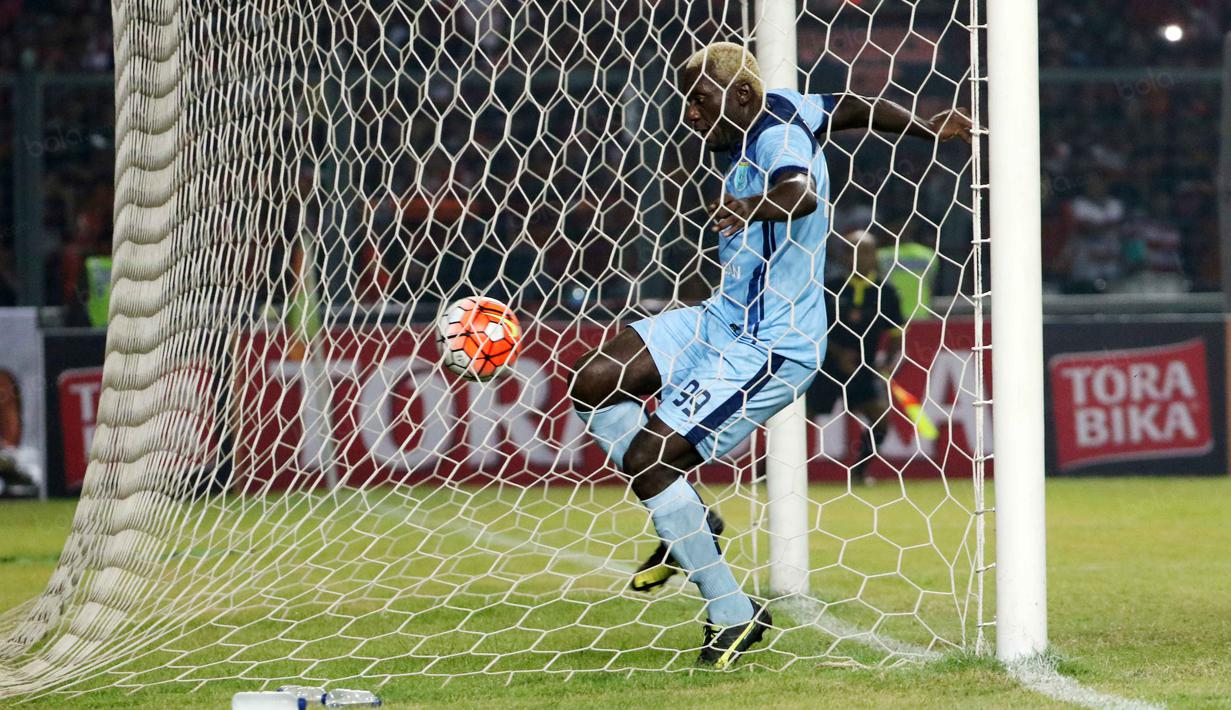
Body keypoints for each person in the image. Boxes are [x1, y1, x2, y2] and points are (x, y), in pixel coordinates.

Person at [569, 42, 971, 668]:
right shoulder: (787, 105)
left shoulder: (775, 137)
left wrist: (749, 206)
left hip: (773, 343)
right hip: (722, 317)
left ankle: (732, 613)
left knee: (650, 460)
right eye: (686, 102)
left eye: (700, 101)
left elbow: (799, 191)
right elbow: (849, 106)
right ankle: (687, 516)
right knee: (595, 381)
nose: (690, 114)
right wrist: (923, 124)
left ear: (740, 95)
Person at [811, 230, 904, 486]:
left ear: (875, 256)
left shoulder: (886, 292)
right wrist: (838, 353)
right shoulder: (829, 289)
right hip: (827, 368)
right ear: (843, 256)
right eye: (852, 252)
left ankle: (859, 472)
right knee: (798, 419)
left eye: (865, 252)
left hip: (863, 368)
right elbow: (813, 331)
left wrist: (887, 364)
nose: (859, 258)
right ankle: (767, 471)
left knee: (881, 420)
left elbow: (896, 335)